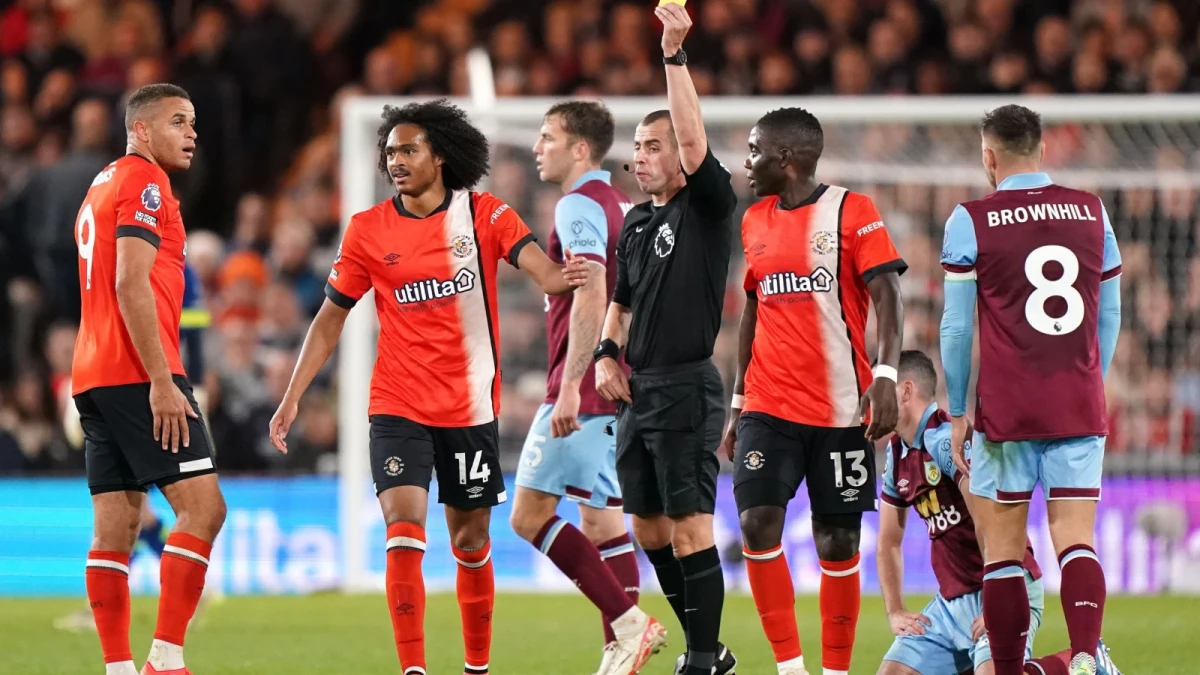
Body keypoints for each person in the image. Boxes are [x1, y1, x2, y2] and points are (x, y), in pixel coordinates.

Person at [268, 99, 590, 675]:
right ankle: (413, 669)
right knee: (403, 525)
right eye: (389, 151)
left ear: (439, 156)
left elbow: (546, 274)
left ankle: (476, 667)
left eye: (408, 149)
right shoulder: (367, 231)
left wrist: (589, 268)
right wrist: (293, 395)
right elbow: (330, 317)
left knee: (469, 542)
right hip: (397, 405)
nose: (395, 160)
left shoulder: (487, 216)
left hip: (469, 407)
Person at [940, 104, 1122, 675]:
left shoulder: (971, 218)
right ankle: (1088, 655)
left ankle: (1012, 669)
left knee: (1002, 553)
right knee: (1075, 538)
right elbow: (1110, 312)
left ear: (989, 158)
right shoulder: (1093, 211)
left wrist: (959, 409)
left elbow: (957, 327)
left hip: (1006, 412)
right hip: (1076, 400)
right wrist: (1094, 379)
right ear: (1043, 152)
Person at [725, 106, 905, 675]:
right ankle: (790, 668)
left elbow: (888, 297)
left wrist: (885, 375)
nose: (746, 163)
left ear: (787, 157)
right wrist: (737, 400)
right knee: (756, 522)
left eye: (754, 151)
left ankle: (833, 671)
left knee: (838, 541)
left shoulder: (854, 211)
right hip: (769, 405)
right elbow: (753, 307)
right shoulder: (753, 219)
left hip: (841, 409)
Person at [593, 5, 738, 674]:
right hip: (636, 391)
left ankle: (703, 658)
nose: (639, 156)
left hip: (685, 384)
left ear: (678, 157)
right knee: (649, 528)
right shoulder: (635, 226)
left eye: (652, 146)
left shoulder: (704, 208)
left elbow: (694, 138)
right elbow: (619, 302)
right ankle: (709, 645)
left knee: (689, 528)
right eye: (637, 147)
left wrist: (673, 57)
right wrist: (603, 354)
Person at [71, 83, 224, 675]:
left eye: (194, 122)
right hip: (139, 370)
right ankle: (166, 659)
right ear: (141, 130)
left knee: (118, 524)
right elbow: (129, 283)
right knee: (204, 510)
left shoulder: (101, 184)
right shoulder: (144, 181)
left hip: (93, 372)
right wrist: (162, 380)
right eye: (179, 122)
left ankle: (118, 667)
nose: (192, 133)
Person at [510, 100, 665, 675]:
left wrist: (571, 383)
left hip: (587, 385)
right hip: (625, 380)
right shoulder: (622, 202)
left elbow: (591, 289)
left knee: (528, 516)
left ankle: (628, 625)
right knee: (602, 521)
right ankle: (621, 654)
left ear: (580, 148)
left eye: (547, 136)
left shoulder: (578, 204)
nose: (536, 146)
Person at [875, 350, 1123, 675]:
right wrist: (895, 610)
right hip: (952, 602)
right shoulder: (897, 453)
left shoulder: (946, 440)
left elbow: (985, 517)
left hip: (1005, 582)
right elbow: (888, 541)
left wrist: (995, 602)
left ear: (906, 391)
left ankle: (1082, 661)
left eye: (880, 386)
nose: (871, 396)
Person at [56, 261, 213, 635]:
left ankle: (119, 606)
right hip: (118, 379)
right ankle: (174, 594)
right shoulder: (128, 253)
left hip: (146, 385)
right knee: (135, 511)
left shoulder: (164, 260)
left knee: (145, 510)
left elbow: (191, 327)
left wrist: (197, 382)